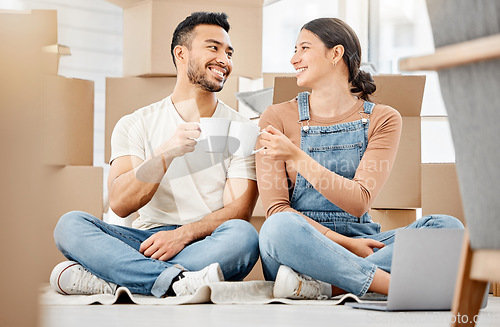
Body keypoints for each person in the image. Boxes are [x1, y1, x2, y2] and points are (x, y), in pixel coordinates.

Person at [50, 12, 260, 298]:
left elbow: (239, 212)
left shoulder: (242, 128)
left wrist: (183, 235)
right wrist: (164, 154)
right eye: (214, 48)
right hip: (146, 241)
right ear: (181, 53)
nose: (225, 60)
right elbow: (121, 204)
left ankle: (117, 280)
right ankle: (177, 282)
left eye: (229, 52)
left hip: (207, 240)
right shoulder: (135, 123)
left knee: (243, 237)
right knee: (70, 225)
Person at [256, 17, 464, 300]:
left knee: (448, 229)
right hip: (301, 249)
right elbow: (277, 210)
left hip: (361, 239)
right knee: (277, 229)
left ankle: (327, 287)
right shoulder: (276, 117)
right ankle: (392, 286)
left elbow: (359, 201)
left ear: (335, 53)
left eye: (303, 48)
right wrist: (344, 246)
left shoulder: (383, 118)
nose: (294, 59)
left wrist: (296, 156)